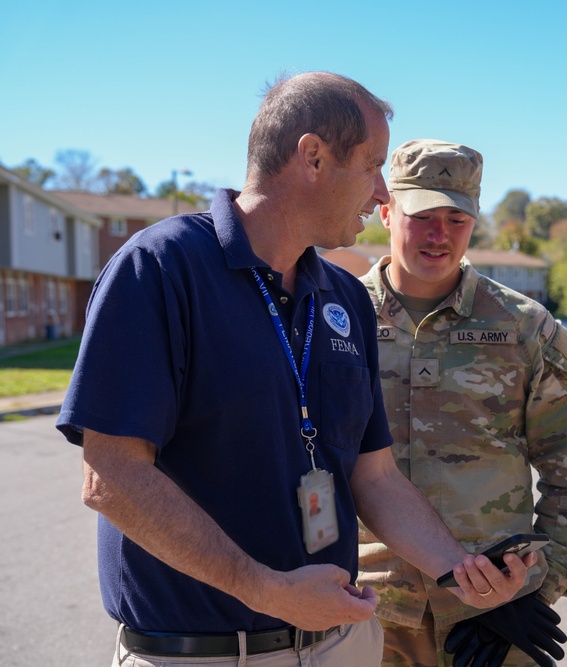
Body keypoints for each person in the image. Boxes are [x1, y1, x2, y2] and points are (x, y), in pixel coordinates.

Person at [55, 73, 534, 667]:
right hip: (204, 654)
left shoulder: (344, 297)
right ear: (312, 157)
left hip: (341, 644)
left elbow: (375, 477)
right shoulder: (161, 267)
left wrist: (462, 572)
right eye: (372, 165)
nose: (382, 193)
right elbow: (112, 476)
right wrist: (266, 590)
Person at [357, 139, 567, 667]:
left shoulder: (521, 325)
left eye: (456, 218)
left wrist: (535, 590)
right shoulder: (335, 318)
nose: (439, 235)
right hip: (366, 613)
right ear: (385, 211)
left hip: (493, 612)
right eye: (422, 215)